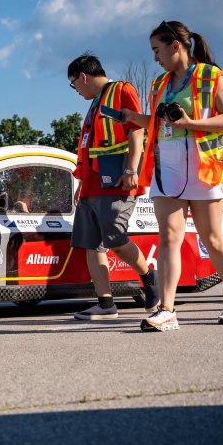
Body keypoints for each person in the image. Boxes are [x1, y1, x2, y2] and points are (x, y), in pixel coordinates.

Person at [121, 21, 223, 331]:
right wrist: (136, 118)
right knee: (169, 237)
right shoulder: (158, 84)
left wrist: (190, 123)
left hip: (205, 164)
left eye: (157, 50)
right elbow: (160, 123)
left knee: (212, 238)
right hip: (168, 164)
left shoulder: (212, 75)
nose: (155, 57)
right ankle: (167, 310)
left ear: (176, 46)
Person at [66, 53, 160, 320]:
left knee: (116, 239)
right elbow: (89, 146)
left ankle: (149, 277)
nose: (76, 90)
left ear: (83, 76)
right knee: (91, 245)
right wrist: (81, 181)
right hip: (91, 183)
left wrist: (131, 169)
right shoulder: (94, 104)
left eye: (74, 83)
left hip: (117, 179)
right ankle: (105, 303)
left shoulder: (121, 90)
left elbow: (136, 129)